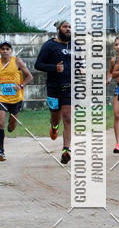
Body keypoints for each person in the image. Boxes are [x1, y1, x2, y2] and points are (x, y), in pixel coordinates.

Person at [34, 19, 73, 164]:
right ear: (58, 29)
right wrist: (54, 68)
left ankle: (66, 150)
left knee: (67, 117)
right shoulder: (49, 45)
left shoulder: (73, 45)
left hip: (69, 87)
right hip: (53, 88)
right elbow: (38, 65)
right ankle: (54, 126)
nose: (68, 29)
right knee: (56, 117)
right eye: (65, 27)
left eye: (69, 27)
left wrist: (81, 68)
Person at [0, 41, 32, 161]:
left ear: (11, 51)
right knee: (0, 123)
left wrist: (21, 85)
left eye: (7, 49)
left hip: (16, 99)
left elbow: (30, 76)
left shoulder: (17, 61)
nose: (5, 51)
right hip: (2, 98)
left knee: (12, 126)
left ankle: (11, 125)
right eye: (2, 49)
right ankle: (1, 151)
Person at [107, 37, 119, 153]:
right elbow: (110, 72)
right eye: (116, 45)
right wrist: (108, 79)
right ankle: (118, 144)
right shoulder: (114, 60)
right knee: (117, 115)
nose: (118, 47)